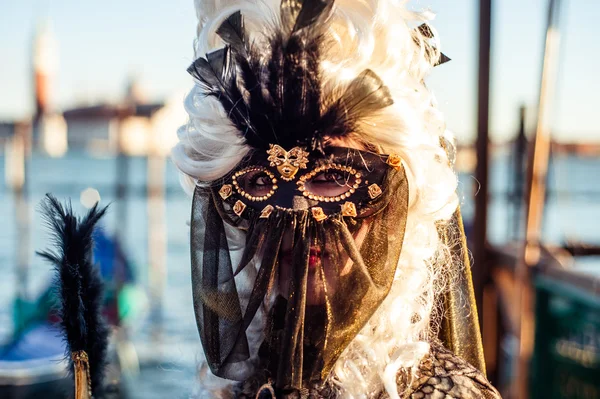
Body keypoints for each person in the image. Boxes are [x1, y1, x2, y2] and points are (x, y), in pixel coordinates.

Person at [170, 0, 502, 398]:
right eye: (260, 181)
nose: (295, 213)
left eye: (329, 177)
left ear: (396, 196)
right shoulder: (249, 379)